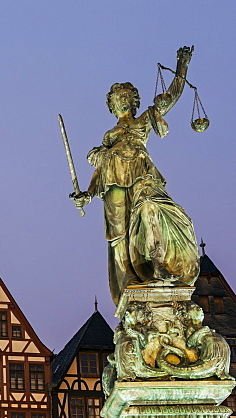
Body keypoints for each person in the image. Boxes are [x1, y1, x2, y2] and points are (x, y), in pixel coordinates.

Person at [72, 46, 200, 306]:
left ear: (133, 101)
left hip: (142, 175)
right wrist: (87, 193)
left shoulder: (143, 121)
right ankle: (129, 278)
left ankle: (158, 266)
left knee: (151, 214)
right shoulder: (108, 137)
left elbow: (170, 99)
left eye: (126, 96)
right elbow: (100, 169)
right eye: (117, 97)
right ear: (111, 104)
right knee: (119, 232)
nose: (121, 100)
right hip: (112, 182)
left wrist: (181, 68)